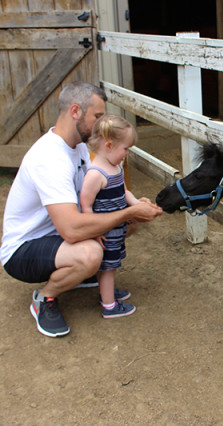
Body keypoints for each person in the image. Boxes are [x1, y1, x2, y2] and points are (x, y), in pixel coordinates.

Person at [0, 81, 162, 337]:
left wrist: (132, 206)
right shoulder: (50, 157)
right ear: (75, 111)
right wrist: (129, 212)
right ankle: (45, 298)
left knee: (123, 226)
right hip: (24, 249)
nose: (101, 125)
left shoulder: (79, 149)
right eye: (97, 116)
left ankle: (84, 275)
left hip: (55, 235)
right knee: (90, 253)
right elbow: (73, 231)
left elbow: (98, 194)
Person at [80, 114, 148, 318]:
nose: (126, 154)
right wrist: (94, 232)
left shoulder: (115, 167)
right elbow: (86, 204)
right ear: (109, 146)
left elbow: (123, 191)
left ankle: (106, 293)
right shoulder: (96, 174)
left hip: (116, 229)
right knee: (108, 268)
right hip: (106, 230)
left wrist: (138, 204)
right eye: (125, 149)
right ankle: (109, 305)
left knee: (111, 264)